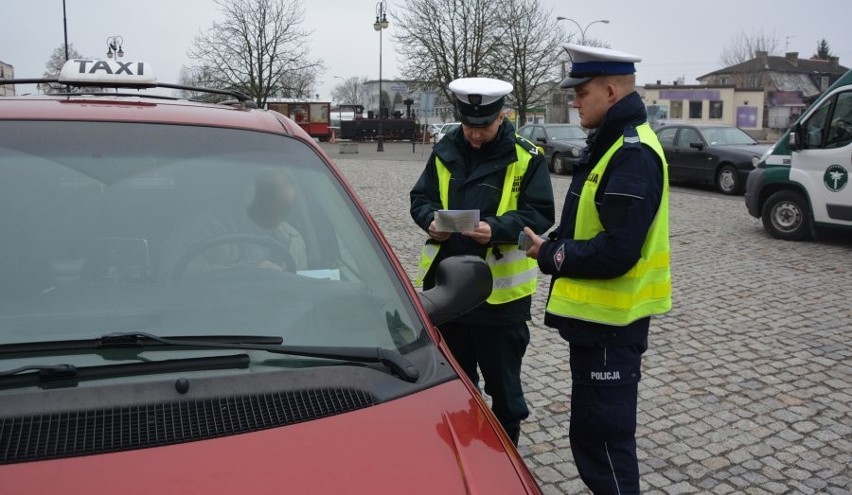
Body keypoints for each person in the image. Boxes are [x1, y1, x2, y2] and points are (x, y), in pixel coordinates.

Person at [522, 44, 672, 494]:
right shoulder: (610, 145)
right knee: (592, 437)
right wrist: (550, 243)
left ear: (610, 91)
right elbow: (593, 226)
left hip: (612, 328)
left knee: (604, 444)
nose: (573, 100)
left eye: (581, 92)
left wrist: (551, 257)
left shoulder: (631, 153)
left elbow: (617, 251)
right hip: (597, 326)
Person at [410, 77, 555, 446]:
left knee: (505, 394)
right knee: (455, 385)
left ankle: (504, 456)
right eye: (468, 125)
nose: (474, 135)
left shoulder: (527, 156)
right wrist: (429, 220)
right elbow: (420, 198)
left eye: (483, 126)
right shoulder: (445, 150)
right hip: (447, 293)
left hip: (500, 302)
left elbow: (540, 214)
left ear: (502, 116)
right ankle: (463, 454)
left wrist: (498, 229)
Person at [161, 168, 308, 279]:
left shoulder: (293, 240)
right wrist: (245, 274)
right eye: (270, 202)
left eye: (284, 206)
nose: (277, 212)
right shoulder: (198, 230)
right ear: (250, 194)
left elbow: (302, 291)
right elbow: (170, 272)